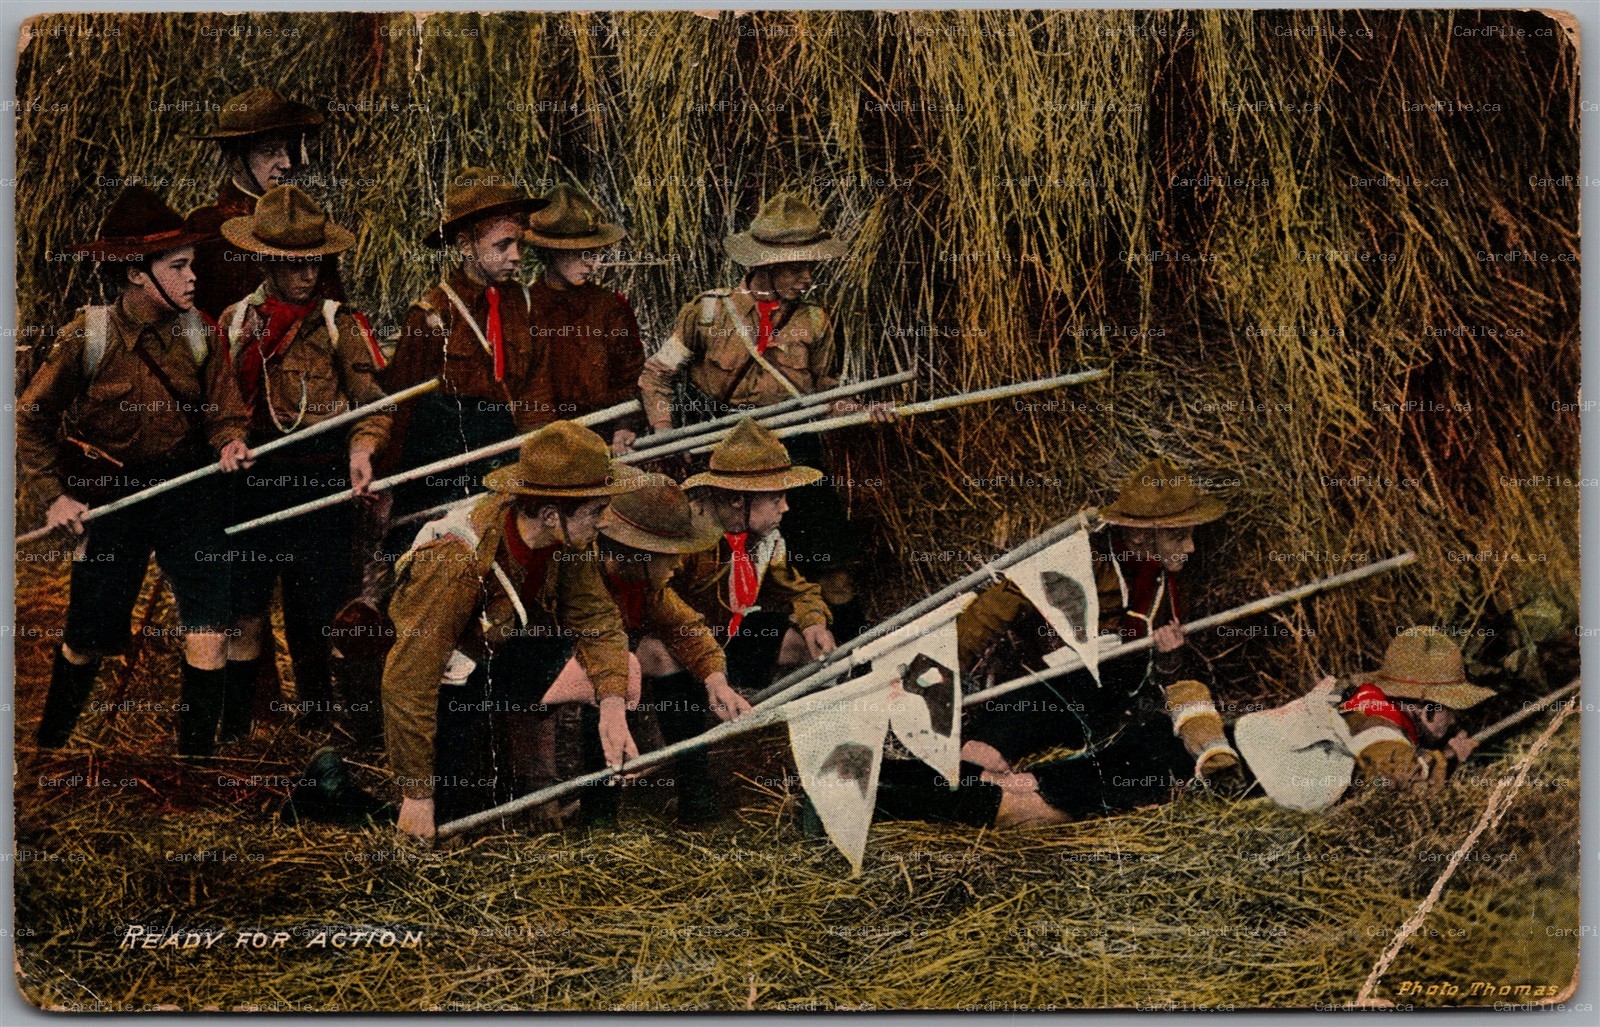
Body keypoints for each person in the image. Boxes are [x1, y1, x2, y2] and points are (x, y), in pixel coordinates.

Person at [18, 185, 253, 756]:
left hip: (187, 491)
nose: (193, 277)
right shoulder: (87, 338)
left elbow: (225, 412)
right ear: (134, 275)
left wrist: (230, 443)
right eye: (178, 266)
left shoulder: (202, 333)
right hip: (110, 500)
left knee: (209, 627)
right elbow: (27, 421)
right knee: (87, 635)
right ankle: (49, 750)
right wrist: (55, 498)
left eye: (192, 263)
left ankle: (195, 762)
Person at [876, 626, 1494, 829]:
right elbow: (1392, 775)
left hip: (1173, 742)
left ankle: (875, 781)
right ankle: (878, 799)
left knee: (1031, 785)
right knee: (1025, 805)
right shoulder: (1376, 711)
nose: (1455, 723)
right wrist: (1449, 763)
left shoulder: (1349, 699)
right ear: (1424, 706)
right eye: (1453, 713)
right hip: (1178, 768)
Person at [638, 194, 893, 643]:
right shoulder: (708, 313)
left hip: (795, 450)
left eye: (811, 266)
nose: (808, 278)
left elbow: (824, 392)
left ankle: (855, 671)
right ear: (765, 263)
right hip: (724, 456)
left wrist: (857, 411)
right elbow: (656, 376)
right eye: (796, 267)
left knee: (832, 571)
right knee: (715, 573)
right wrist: (667, 435)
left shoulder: (816, 322)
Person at [380, 420, 642, 840]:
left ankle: (597, 823)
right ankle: (330, 789)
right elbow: (409, 678)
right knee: (440, 822)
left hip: (502, 653)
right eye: (597, 511)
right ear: (552, 514)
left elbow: (596, 619)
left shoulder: (567, 539)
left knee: (622, 669)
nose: (604, 521)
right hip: (447, 678)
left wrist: (611, 706)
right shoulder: (458, 558)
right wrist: (416, 793)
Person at [215, 185, 392, 741]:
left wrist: (361, 450)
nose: (306, 274)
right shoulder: (235, 321)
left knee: (317, 602)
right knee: (243, 602)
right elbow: (214, 402)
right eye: (292, 264)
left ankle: (322, 718)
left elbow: (376, 406)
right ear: (265, 259)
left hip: (320, 474)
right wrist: (225, 441)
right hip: (253, 476)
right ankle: (241, 724)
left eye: (314, 262)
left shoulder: (342, 323)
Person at [956, 456, 1239, 785]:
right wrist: (945, 664)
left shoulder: (1169, 587)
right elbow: (999, 605)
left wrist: (1168, 658)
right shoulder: (1082, 561)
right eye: (1178, 537)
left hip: (1111, 702)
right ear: (1139, 537)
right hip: (1052, 687)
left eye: (1190, 535)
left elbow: (1163, 676)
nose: (1190, 547)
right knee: (987, 756)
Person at [383, 167, 553, 517]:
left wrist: (538, 459)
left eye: (519, 243)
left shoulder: (527, 305)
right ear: (465, 246)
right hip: (444, 470)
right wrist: (386, 484)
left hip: (508, 458)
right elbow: (400, 406)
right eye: (503, 245)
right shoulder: (432, 314)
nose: (517, 256)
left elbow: (537, 392)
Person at [593, 473, 752, 825]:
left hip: (607, 666)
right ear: (638, 553)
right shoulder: (589, 578)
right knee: (617, 673)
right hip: (558, 669)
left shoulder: (646, 584)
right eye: (668, 555)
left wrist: (716, 681)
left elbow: (687, 628)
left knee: (661, 655)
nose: (678, 564)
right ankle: (597, 815)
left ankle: (695, 793)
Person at [674, 419, 837, 694]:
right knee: (658, 655)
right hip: (683, 642)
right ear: (738, 499)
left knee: (801, 645)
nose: (785, 508)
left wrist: (814, 622)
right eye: (776, 500)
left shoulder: (764, 539)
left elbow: (798, 589)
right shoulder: (687, 539)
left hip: (725, 634)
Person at [187, 87, 338, 321]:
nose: (286, 164)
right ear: (235, 160)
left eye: (287, 150)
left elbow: (334, 310)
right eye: (270, 151)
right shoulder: (205, 228)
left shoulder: (306, 221)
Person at [523, 184, 645, 454]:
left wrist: (625, 427)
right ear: (552, 251)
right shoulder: (523, 310)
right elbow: (524, 395)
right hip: (545, 446)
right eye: (582, 253)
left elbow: (631, 377)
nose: (594, 264)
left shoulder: (609, 308)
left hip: (604, 443)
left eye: (596, 253)